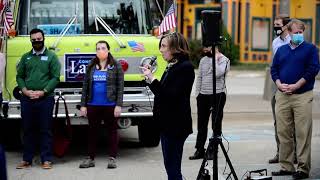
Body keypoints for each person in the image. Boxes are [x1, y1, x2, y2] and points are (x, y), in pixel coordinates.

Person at [141, 32, 195, 180]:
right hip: (167, 124)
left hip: (176, 125)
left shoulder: (185, 67)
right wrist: (149, 79)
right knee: (171, 167)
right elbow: (161, 93)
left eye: (164, 46)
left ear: (175, 48)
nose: (161, 50)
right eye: (161, 46)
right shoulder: (172, 65)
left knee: (172, 168)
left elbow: (171, 96)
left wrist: (153, 79)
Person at [271, 19, 320, 179]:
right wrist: (279, 84)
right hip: (283, 95)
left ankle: (303, 168)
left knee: (302, 132)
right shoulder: (282, 50)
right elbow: (274, 69)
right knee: (283, 132)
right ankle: (287, 166)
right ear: (289, 33)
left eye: (301, 32)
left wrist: (296, 85)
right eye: (296, 32)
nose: (299, 35)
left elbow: (313, 69)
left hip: (302, 95)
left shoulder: (310, 49)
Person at [16, 28, 61, 169]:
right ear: (30, 40)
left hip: (45, 99)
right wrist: (24, 90)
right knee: (28, 129)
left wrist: (44, 92)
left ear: (43, 39)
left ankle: (46, 159)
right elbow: (19, 76)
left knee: (45, 129)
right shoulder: (25, 57)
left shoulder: (52, 57)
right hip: (27, 99)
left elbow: (55, 78)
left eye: (39, 39)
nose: (36, 42)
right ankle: (27, 160)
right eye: (33, 40)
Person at [79, 40, 124, 169]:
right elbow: (85, 86)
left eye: (103, 48)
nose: (100, 50)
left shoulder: (116, 65)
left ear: (108, 50)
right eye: (98, 48)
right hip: (93, 104)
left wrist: (118, 105)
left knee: (112, 132)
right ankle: (90, 158)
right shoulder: (91, 65)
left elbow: (120, 87)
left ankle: (112, 158)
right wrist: (83, 105)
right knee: (93, 132)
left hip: (110, 105)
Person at [189, 46, 230, 160]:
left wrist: (216, 58)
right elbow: (200, 77)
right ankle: (200, 149)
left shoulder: (224, 60)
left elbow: (218, 73)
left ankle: (213, 150)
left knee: (215, 124)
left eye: (207, 47)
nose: (204, 50)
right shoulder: (203, 60)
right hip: (203, 96)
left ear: (215, 46)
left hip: (218, 95)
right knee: (201, 124)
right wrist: (197, 94)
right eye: (204, 47)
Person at [269, 14, 298, 164]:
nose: (276, 27)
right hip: (278, 85)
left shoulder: (294, 40)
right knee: (278, 122)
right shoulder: (275, 42)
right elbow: (275, 65)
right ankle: (280, 152)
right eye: (274, 24)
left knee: (292, 122)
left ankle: (294, 154)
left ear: (286, 26)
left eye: (278, 25)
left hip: (292, 86)